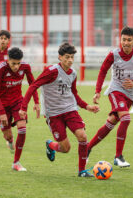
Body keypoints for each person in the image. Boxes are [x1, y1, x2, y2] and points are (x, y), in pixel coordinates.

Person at [19, 42, 100, 177]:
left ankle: (82, 171)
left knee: (82, 136)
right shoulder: (52, 71)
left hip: (70, 110)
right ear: (60, 57)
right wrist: (24, 107)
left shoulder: (73, 73)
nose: (70, 60)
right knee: (65, 148)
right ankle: (51, 145)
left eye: (72, 57)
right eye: (67, 57)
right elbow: (34, 85)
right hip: (54, 114)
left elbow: (74, 93)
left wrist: (87, 107)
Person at [87, 26, 133, 167]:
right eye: (123, 39)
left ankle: (87, 148)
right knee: (126, 119)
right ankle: (118, 157)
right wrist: (97, 91)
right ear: (120, 40)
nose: (126, 43)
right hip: (115, 91)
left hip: (130, 95)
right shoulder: (113, 54)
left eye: (129, 40)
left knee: (110, 124)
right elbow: (103, 71)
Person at [0, 47, 40, 171]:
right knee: (7, 135)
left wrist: (36, 102)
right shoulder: (0, 68)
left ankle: (16, 163)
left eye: (18, 63)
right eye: (13, 64)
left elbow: (33, 85)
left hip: (18, 102)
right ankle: (10, 140)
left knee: (22, 129)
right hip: (2, 104)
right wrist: (1, 112)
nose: (16, 67)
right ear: (8, 60)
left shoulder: (25, 67)